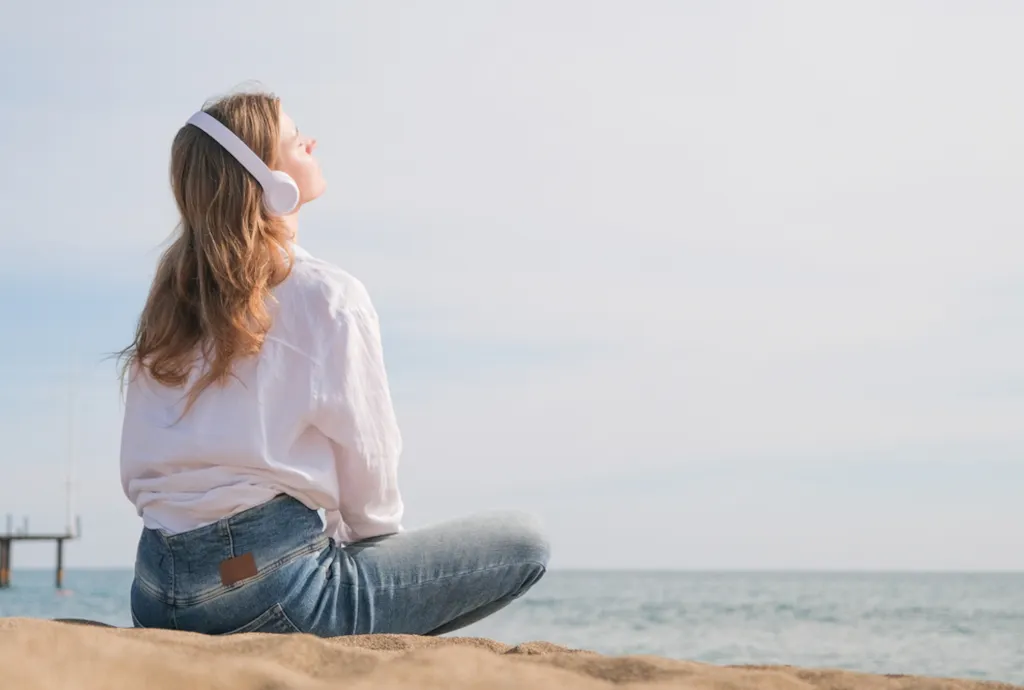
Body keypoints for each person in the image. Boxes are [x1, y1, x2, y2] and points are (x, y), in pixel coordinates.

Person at [118, 89, 549, 636]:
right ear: (270, 181)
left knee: (257, 568)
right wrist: (366, 548)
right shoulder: (328, 295)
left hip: (156, 592)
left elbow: (139, 471)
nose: (312, 143)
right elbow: (370, 473)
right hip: (259, 580)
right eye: (296, 140)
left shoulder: (168, 306)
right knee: (526, 541)